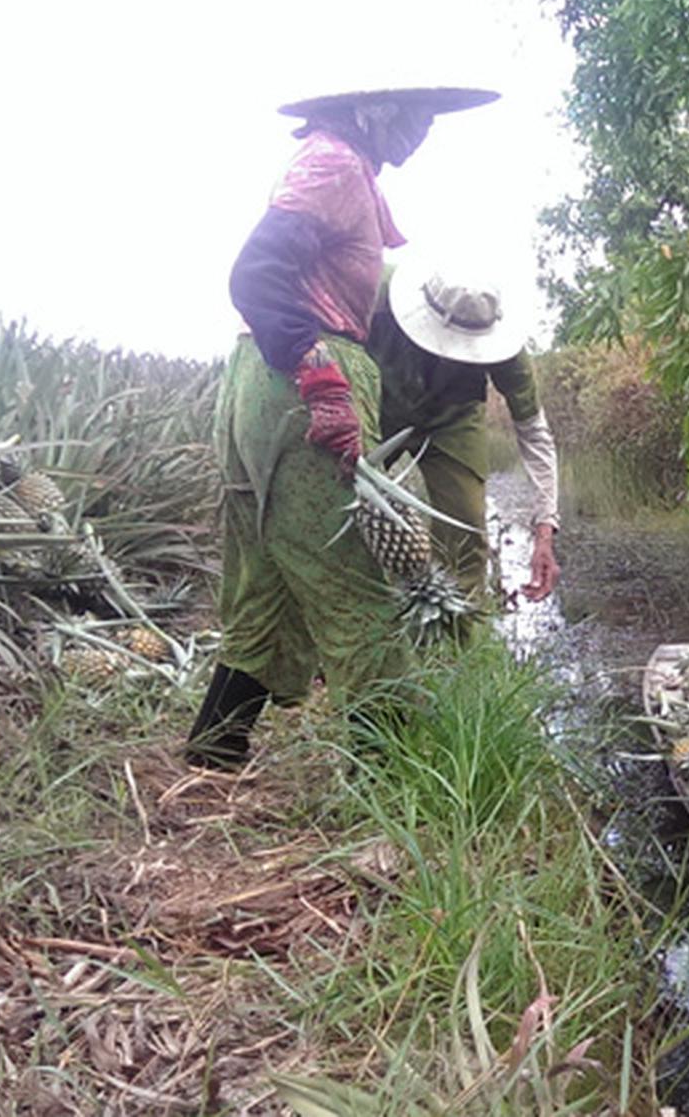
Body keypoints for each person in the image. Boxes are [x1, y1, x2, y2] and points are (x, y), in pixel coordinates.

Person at [184, 82, 497, 771]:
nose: (422, 133)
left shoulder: (340, 167)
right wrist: (321, 374)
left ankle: (215, 747)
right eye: (414, 117)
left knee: (266, 581)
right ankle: (396, 777)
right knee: (359, 584)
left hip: (264, 382)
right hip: (299, 379)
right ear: (373, 112)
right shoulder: (334, 164)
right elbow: (255, 275)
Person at [367, 261, 561, 605]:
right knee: (351, 513)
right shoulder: (373, 291)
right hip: (377, 405)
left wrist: (544, 534)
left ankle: (459, 629)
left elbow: (534, 435)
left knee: (466, 533)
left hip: (453, 418)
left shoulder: (508, 351)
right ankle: (370, 617)